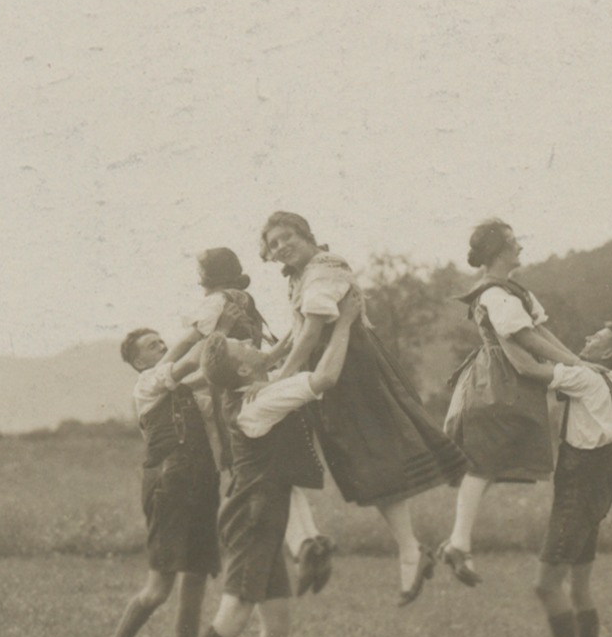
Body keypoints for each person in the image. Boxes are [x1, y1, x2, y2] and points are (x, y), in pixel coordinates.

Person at [151, 292, 362, 637]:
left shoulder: (245, 386)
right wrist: (343, 322)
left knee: (278, 620)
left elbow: (277, 353)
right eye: (246, 349)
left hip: (262, 516)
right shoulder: (263, 398)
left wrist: (299, 321)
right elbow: (324, 376)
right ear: (245, 371)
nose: (254, 347)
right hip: (253, 519)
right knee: (234, 615)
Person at [259, 212, 469, 605]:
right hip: (330, 371)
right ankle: (402, 549)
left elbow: (313, 328)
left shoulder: (326, 267)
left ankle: (400, 550)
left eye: (288, 237)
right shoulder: (301, 277)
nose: (281, 246)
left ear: (307, 236)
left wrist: (280, 375)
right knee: (365, 465)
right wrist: (273, 357)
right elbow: (299, 327)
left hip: (351, 370)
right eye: (273, 244)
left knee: (374, 460)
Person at [164, 248, 335, 594]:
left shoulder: (215, 304)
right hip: (259, 377)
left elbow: (199, 346)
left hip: (234, 388)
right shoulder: (244, 298)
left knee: (249, 471)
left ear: (206, 276)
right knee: (275, 471)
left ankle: (295, 549)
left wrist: (165, 374)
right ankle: (306, 543)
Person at [440, 219, 589, 586]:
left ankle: (459, 541)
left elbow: (541, 332)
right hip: (497, 385)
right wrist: (575, 365)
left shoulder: (513, 291)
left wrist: (580, 362)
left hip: (508, 384)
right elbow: (529, 341)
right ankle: (459, 541)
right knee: (483, 461)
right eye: (513, 242)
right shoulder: (494, 295)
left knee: (487, 464)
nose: (520, 247)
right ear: (499, 251)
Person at [509, 321, 612, 637]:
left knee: (546, 585)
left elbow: (527, 368)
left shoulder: (588, 379)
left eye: (595, 338)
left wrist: (503, 336)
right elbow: (567, 355)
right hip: (599, 477)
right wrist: (538, 331)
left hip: (579, 480)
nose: (586, 337)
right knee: (579, 586)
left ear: (607, 353)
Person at [99, 328, 219, 637]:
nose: (163, 346)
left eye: (162, 341)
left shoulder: (186, 390)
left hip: (201, 483)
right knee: (159, 588)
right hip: (168, 483)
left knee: (196, 581)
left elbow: (212, 379)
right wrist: (212, 331)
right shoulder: (148, 383)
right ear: (139, 363)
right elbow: (190, 360)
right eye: (153, 346)